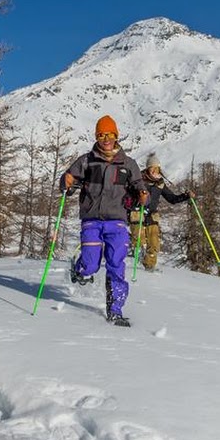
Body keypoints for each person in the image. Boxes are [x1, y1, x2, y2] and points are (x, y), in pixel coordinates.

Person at [60, 115, 148, 327]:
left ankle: (115, 310)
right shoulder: (87, 161)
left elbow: (139, 187)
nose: (105, 138)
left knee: (116, 265)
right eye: (101, 134)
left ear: (116, 135)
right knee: (90, 264)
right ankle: (80, 269)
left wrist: (143, 195)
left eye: (109, 134)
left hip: (117, 220)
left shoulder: (128, 164)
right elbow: (67, 186)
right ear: (96, 136)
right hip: (91, 219)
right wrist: (66, 181)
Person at [129, 153, 193, 271]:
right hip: (138, 212)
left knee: (154, 242)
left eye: (157, 168)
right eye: (152, 168)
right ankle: (137, 254)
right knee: (140, 240)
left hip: (152, 215)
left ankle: (150, 266)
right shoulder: (139, 180)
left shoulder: (160, 183)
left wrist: (186, 196)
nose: (154, 170)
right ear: (148, 168)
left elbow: (172, 199)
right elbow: (129, 194)